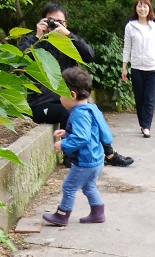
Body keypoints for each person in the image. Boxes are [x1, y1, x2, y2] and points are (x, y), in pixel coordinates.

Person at [19, 2, 133, 167]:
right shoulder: (33, 41)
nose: (55, 25)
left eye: (60, 22)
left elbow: (89, 55)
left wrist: (68, 35)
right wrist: (38, 37)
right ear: (43, 21)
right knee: (68, 113)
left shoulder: (68, 43)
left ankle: (109, 153)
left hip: (66, 98)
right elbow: (19, 61)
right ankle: (70, 156)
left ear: (66, 24)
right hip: (41, 103)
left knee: (92, 111)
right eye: (51, 21)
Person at [42, 67, 112, 226]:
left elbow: (82, 137)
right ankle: (98, 212)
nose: (60, 99)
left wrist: (63, 144)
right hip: (96, 160)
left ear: (72, 95)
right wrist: (67, 133)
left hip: (85, 162)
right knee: (89, 186)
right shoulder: (90, 108)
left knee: (69, 187)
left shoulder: (79, 114)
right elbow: (89, 132)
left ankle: (62, 216)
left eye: (61, 94)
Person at [121, 0, 155, 138]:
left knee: (150, 99)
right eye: (139, 6)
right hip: (136, 67)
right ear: (136, 8)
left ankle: (147, 126)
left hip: (153, 67)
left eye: (145, 6)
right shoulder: (130, 27)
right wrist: (124, 68)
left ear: (149, 8)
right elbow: (127, 48)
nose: (142, 9)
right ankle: (143, 124)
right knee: (139, 98)